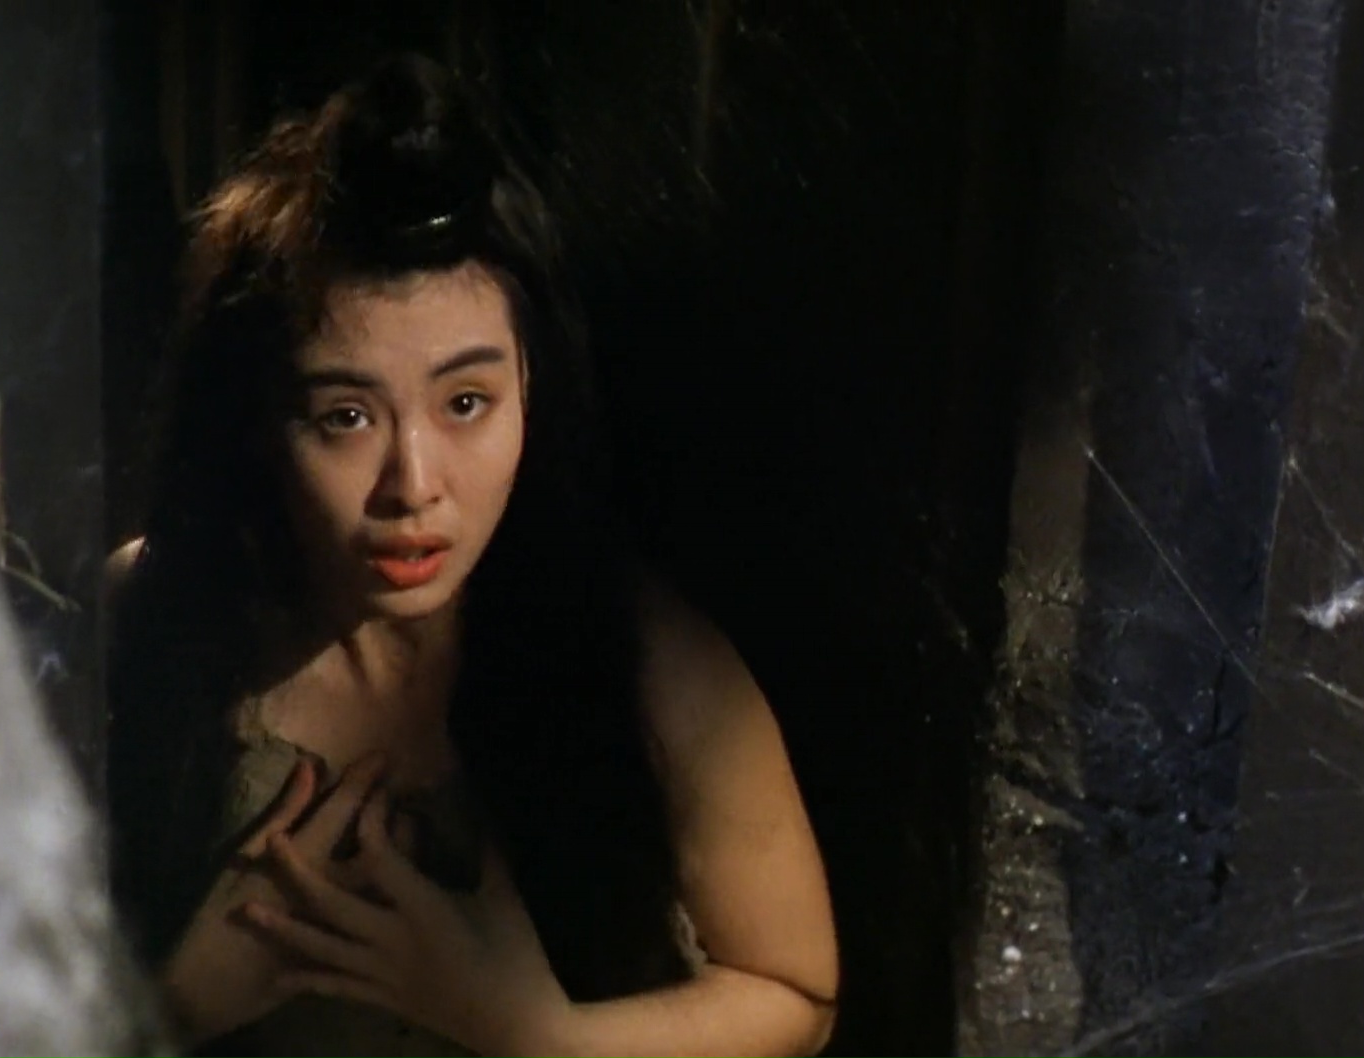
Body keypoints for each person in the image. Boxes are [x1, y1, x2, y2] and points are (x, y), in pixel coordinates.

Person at [104, 54, 838, 1058]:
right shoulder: (143, 623)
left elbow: (795, 989)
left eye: (465, 403)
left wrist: (533, 1033)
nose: (414, 484)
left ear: (533, 389)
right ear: (259, 421)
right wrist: (171, 1008)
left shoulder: (652, 660)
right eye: (345, 415)